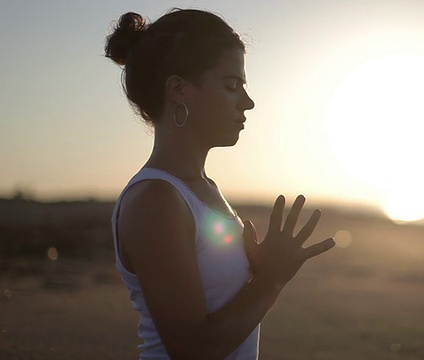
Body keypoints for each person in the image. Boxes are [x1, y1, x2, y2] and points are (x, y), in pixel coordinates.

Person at [105, 9, 335, 360]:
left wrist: (253, 272)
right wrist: (271, 279)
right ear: (179, 89)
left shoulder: (203, 188)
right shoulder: (156, 200)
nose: (248, 102)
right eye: (232, 85)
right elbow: (192, 350)